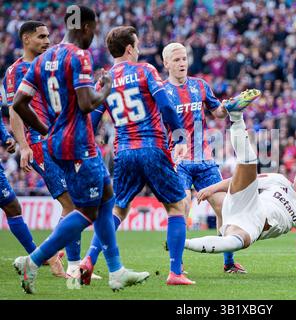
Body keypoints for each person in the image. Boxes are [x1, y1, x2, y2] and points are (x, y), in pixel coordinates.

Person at [12, 6, 149, 294]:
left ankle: (116, 271)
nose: (94, 35)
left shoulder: (44, 58)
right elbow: (87, 103)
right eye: (94, 29)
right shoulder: (78, 56)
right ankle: (33, 261)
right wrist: (107, 87)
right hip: (79, 146)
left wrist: (45, 130)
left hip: (60, 142)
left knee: (107, 196)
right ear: (86, 27)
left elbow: (19, 103)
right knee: (86, 211)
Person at [86, 26, 194, 285]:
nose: (139, 49)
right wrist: (179, 135)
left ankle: (88, 260)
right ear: (129, 48)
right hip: (152, 146)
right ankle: (175, 272)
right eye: (137, 44)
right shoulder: (146, 70)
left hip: (122, 151)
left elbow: (91, 119)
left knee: (119, 209)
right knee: (176, 206)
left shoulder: (104, 79)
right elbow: (166, 105)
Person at [184, 99, 296, 278]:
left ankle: (183, 242)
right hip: (249, 202)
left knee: (233, 242)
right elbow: (243, 180)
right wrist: (212, 189)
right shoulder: (278, 180)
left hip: (252, 225)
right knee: (249, 163)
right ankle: (236, 116)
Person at [162, 42, 253, 273]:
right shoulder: (160, 92)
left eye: (184, 58)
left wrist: (233, 105)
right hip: (178, 161)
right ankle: (177, 265)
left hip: (204, 160)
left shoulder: (200, 85)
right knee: (181, 208)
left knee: (224, 207)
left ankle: (228, 262)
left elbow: (219, 112)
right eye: (176, 60)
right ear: (166, 64)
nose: (182, 63)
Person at [2, 21, 66, 278]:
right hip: (39, 144)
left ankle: (55, 255)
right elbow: (15, 109)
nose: (47, 41)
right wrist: (24, 145)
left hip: (59, 141)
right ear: (26, 39)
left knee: (79, 204)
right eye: (41, 37)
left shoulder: (48, 67)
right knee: (75, 205)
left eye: (48, 36)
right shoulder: (16, 70)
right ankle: (56, 260)